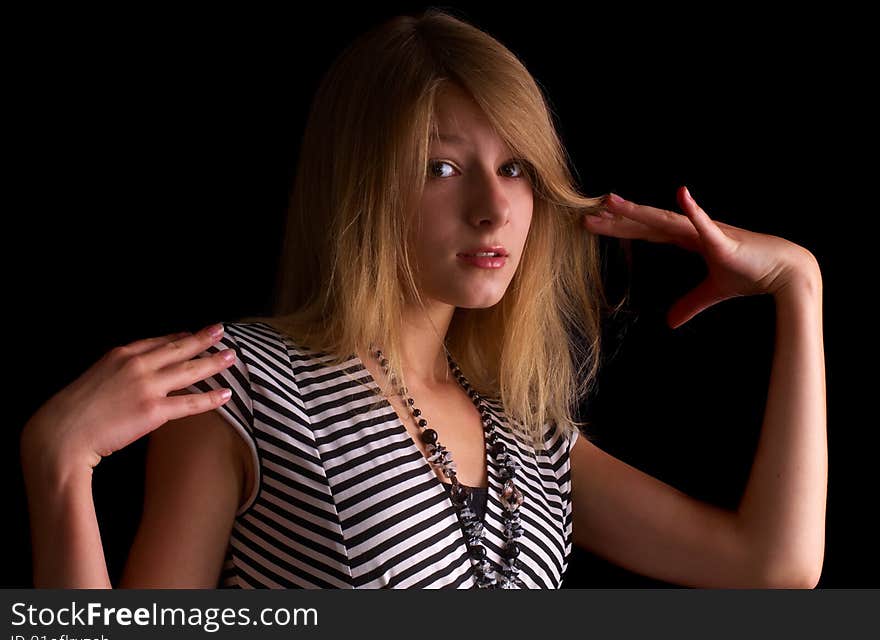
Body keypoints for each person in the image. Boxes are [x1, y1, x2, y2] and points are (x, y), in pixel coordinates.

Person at [21, 9, 826, 589]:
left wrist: (801, 285)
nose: (493, 206)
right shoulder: (241, 388)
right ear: (359, 190)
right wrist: (60, 467)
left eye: (515, 168)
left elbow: (773, 566)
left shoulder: (527, 434)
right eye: (441, 168)